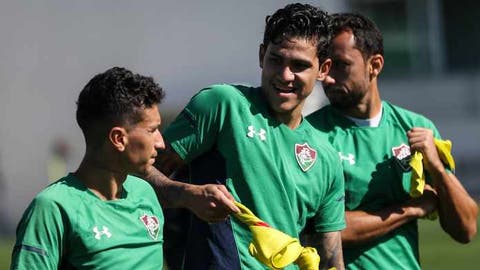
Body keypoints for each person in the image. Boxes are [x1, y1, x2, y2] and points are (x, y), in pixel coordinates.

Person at [145, 3, 346, 269]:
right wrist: (187, 196)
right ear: (262, 55)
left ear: (323, 69)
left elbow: (330, 253)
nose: (285, 75)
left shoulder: (326, 156)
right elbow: (138, 172)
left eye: (299, 65)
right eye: (276, 60)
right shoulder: (223, 105)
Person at [306, 13, 478, 269]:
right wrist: (410, 210)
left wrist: (438, 171)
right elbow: (323, 231)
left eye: (341, 65)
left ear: (374, 65)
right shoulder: (311, 134)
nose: (328, 78)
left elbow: (466, 229)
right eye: (325, 66)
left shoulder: (415, 128)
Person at [11, 67, 166, 269]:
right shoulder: (52, 208)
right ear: (119, 139)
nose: (160, 142)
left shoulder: (145, 194)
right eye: (152, 130)